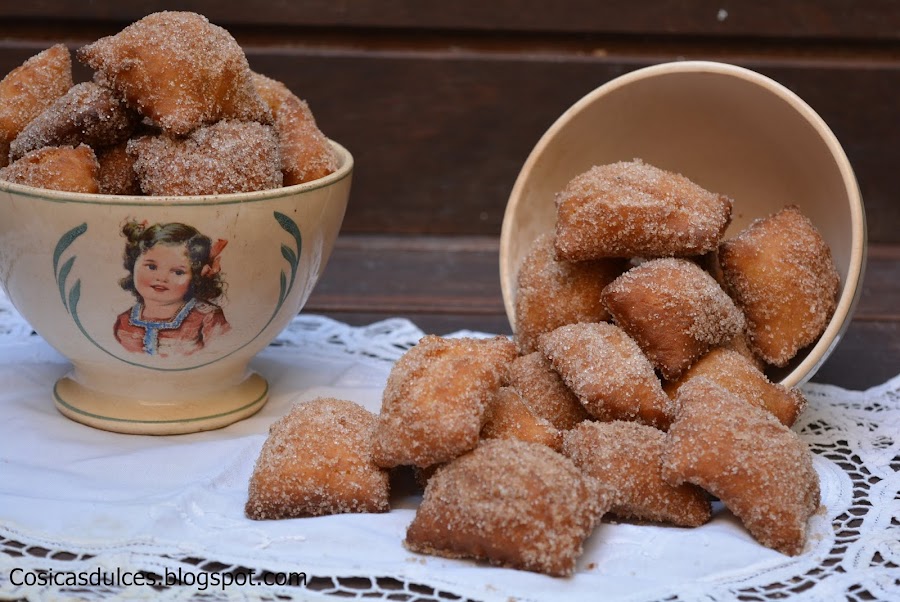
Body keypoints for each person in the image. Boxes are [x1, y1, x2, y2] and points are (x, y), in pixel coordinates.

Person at [114, 220, 230, 357]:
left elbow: (220, 354)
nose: (162, 277)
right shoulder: (124, 321)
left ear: (196, 277)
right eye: (152, 267)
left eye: (178, 272)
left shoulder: (207, 318)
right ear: (133, 264)